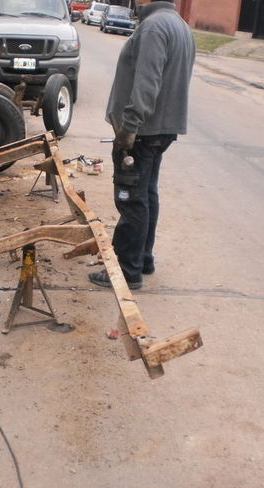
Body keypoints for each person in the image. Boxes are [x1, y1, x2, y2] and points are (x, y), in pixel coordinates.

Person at [88, 0, 195, 290]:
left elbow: (148, 82)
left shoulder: (154, 26)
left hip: (143, 131)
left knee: (131, 198)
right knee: (146, 193)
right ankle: (143, 258)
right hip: (162, 128)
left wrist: (129, 128)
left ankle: (126, 270)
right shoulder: (180, 25)